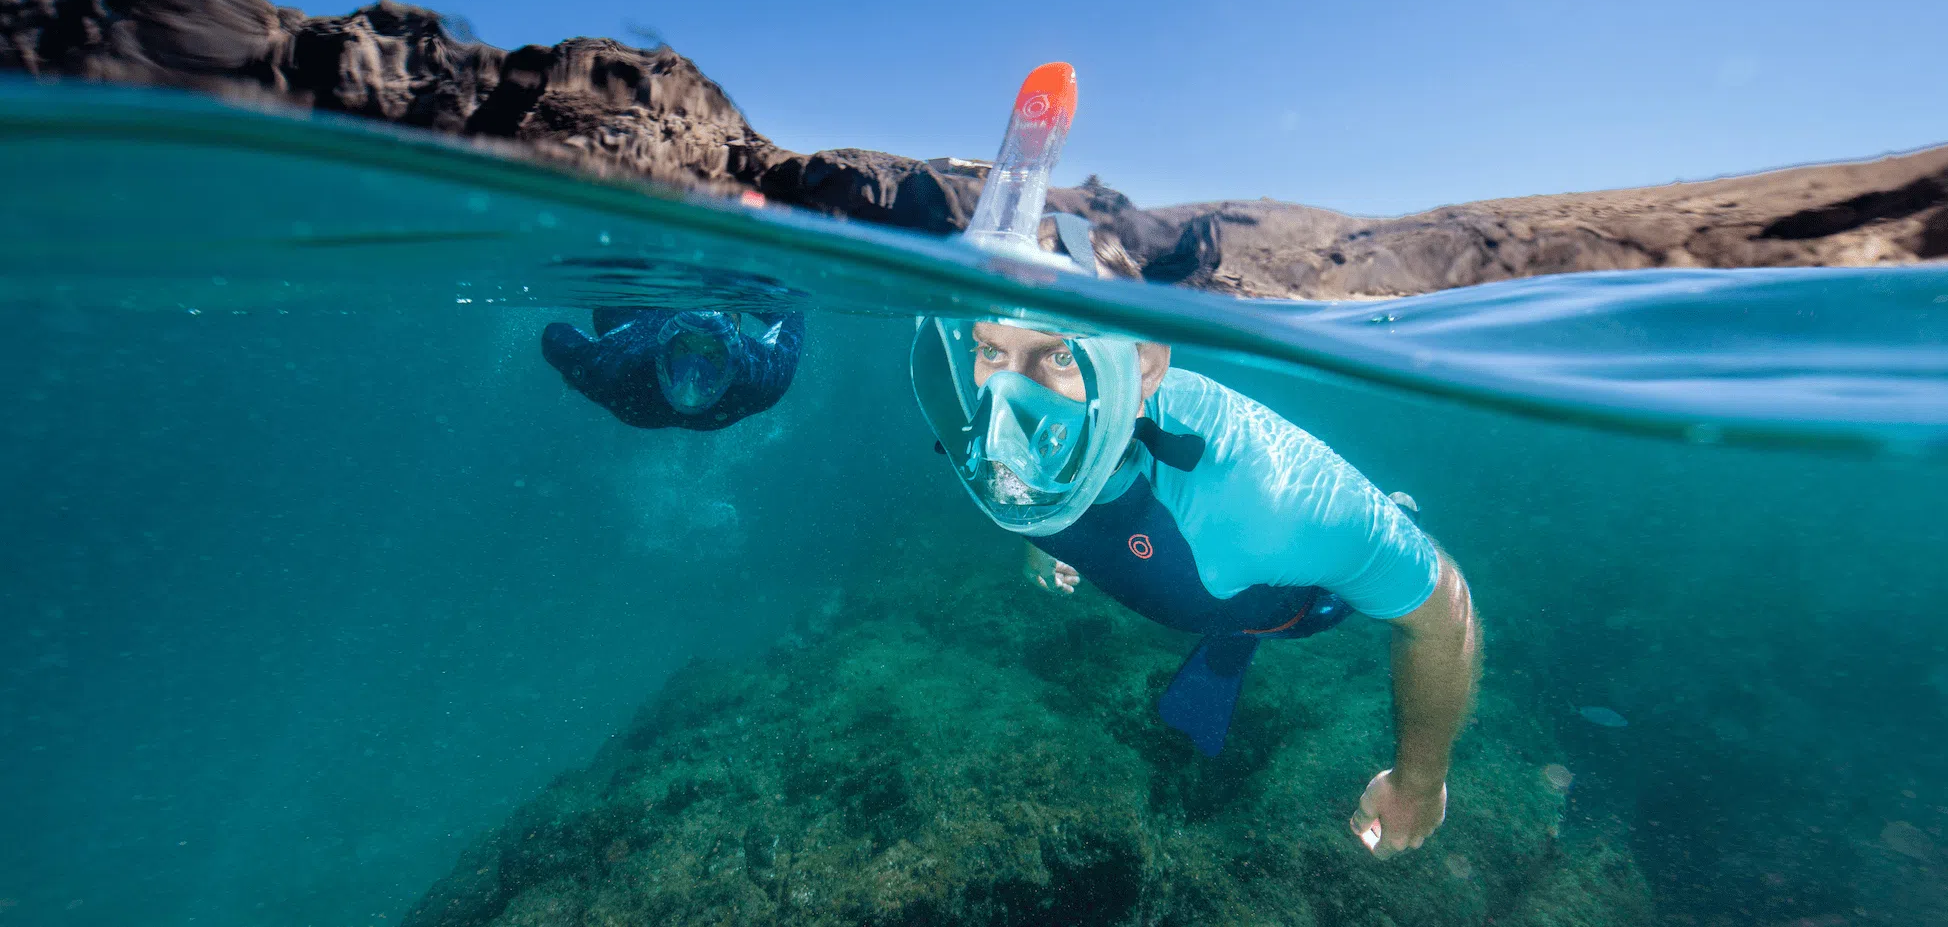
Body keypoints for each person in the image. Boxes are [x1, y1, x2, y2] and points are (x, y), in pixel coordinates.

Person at [910, 217, 1481, 860]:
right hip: (1201, 577)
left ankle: (1394, 509)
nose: (1010, 406)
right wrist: (1041, 534)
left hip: (1290, 603)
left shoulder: (1267, 502)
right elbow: (1039, 471)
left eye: (1063, 353)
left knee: (1358, 565)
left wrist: (1419, 781)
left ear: (1145, 368)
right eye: (991, 351)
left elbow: (1443, 615)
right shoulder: (986, 440)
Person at [542, 307, 804, 430]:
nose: (692, 379)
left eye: (712, 355)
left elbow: (555, 336)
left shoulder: (612, 375)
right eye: (683, 350)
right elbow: (789, 313)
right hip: (628, 309)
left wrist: (579, 372)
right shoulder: (619, 369)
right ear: (661, 352)